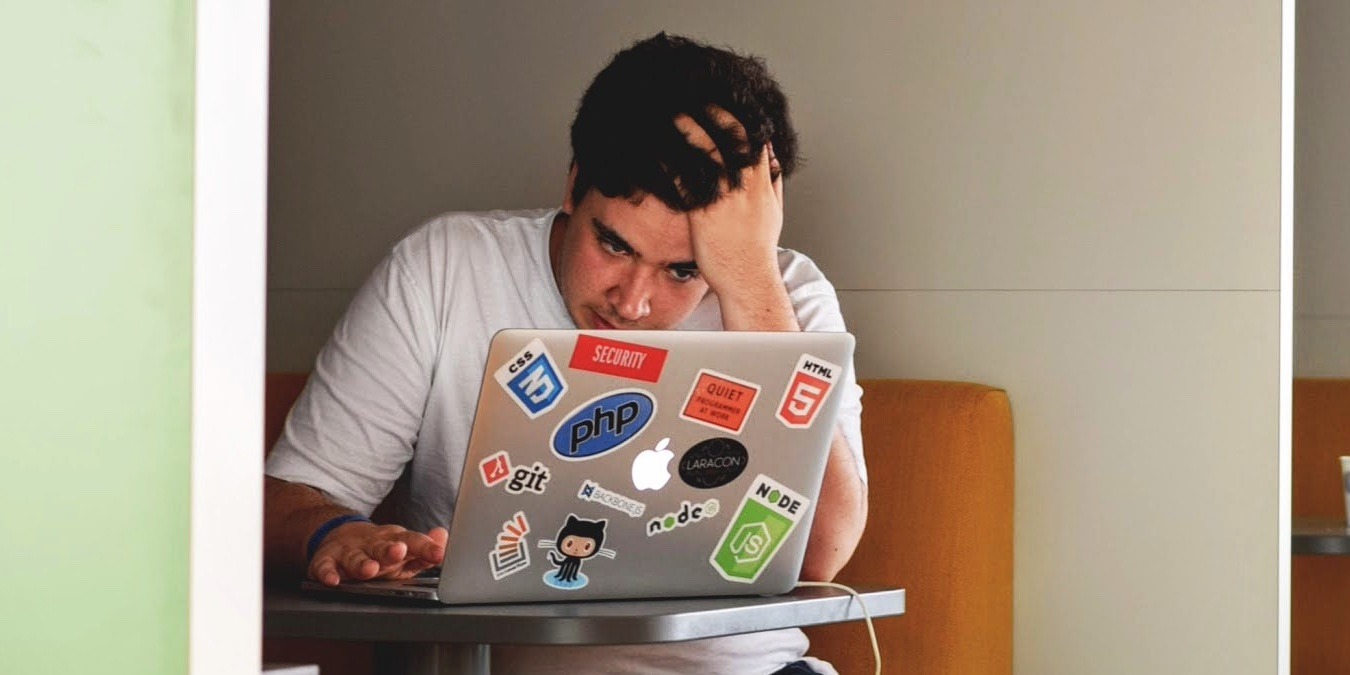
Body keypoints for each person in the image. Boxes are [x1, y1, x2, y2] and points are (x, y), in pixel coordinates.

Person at [264, 32, 868, 675]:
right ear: (575, 185)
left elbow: (822, 555)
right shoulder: (444, 269)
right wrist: (336, 535)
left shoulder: (785, 295)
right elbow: (284, 502)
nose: (632, 303)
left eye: (684, 271)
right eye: (614, 245)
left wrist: (749, 280)